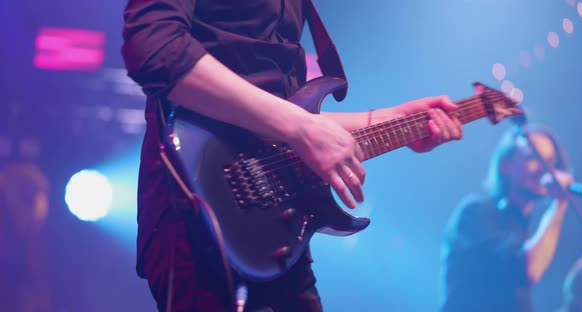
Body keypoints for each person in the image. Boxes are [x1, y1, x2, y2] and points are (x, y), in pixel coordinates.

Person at [122, 1, 463, 311]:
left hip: (271, 227)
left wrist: (393, 121)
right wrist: (300, 127)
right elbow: (156, 49)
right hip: (198, 214)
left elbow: (276, 114)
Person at [440, 125, 573, 312]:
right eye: (533, 157)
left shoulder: (523, 229)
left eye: (550, 162)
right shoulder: (476, 212)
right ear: (505, 165)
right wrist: (560, 203)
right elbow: (529, 270)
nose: (544, 170)